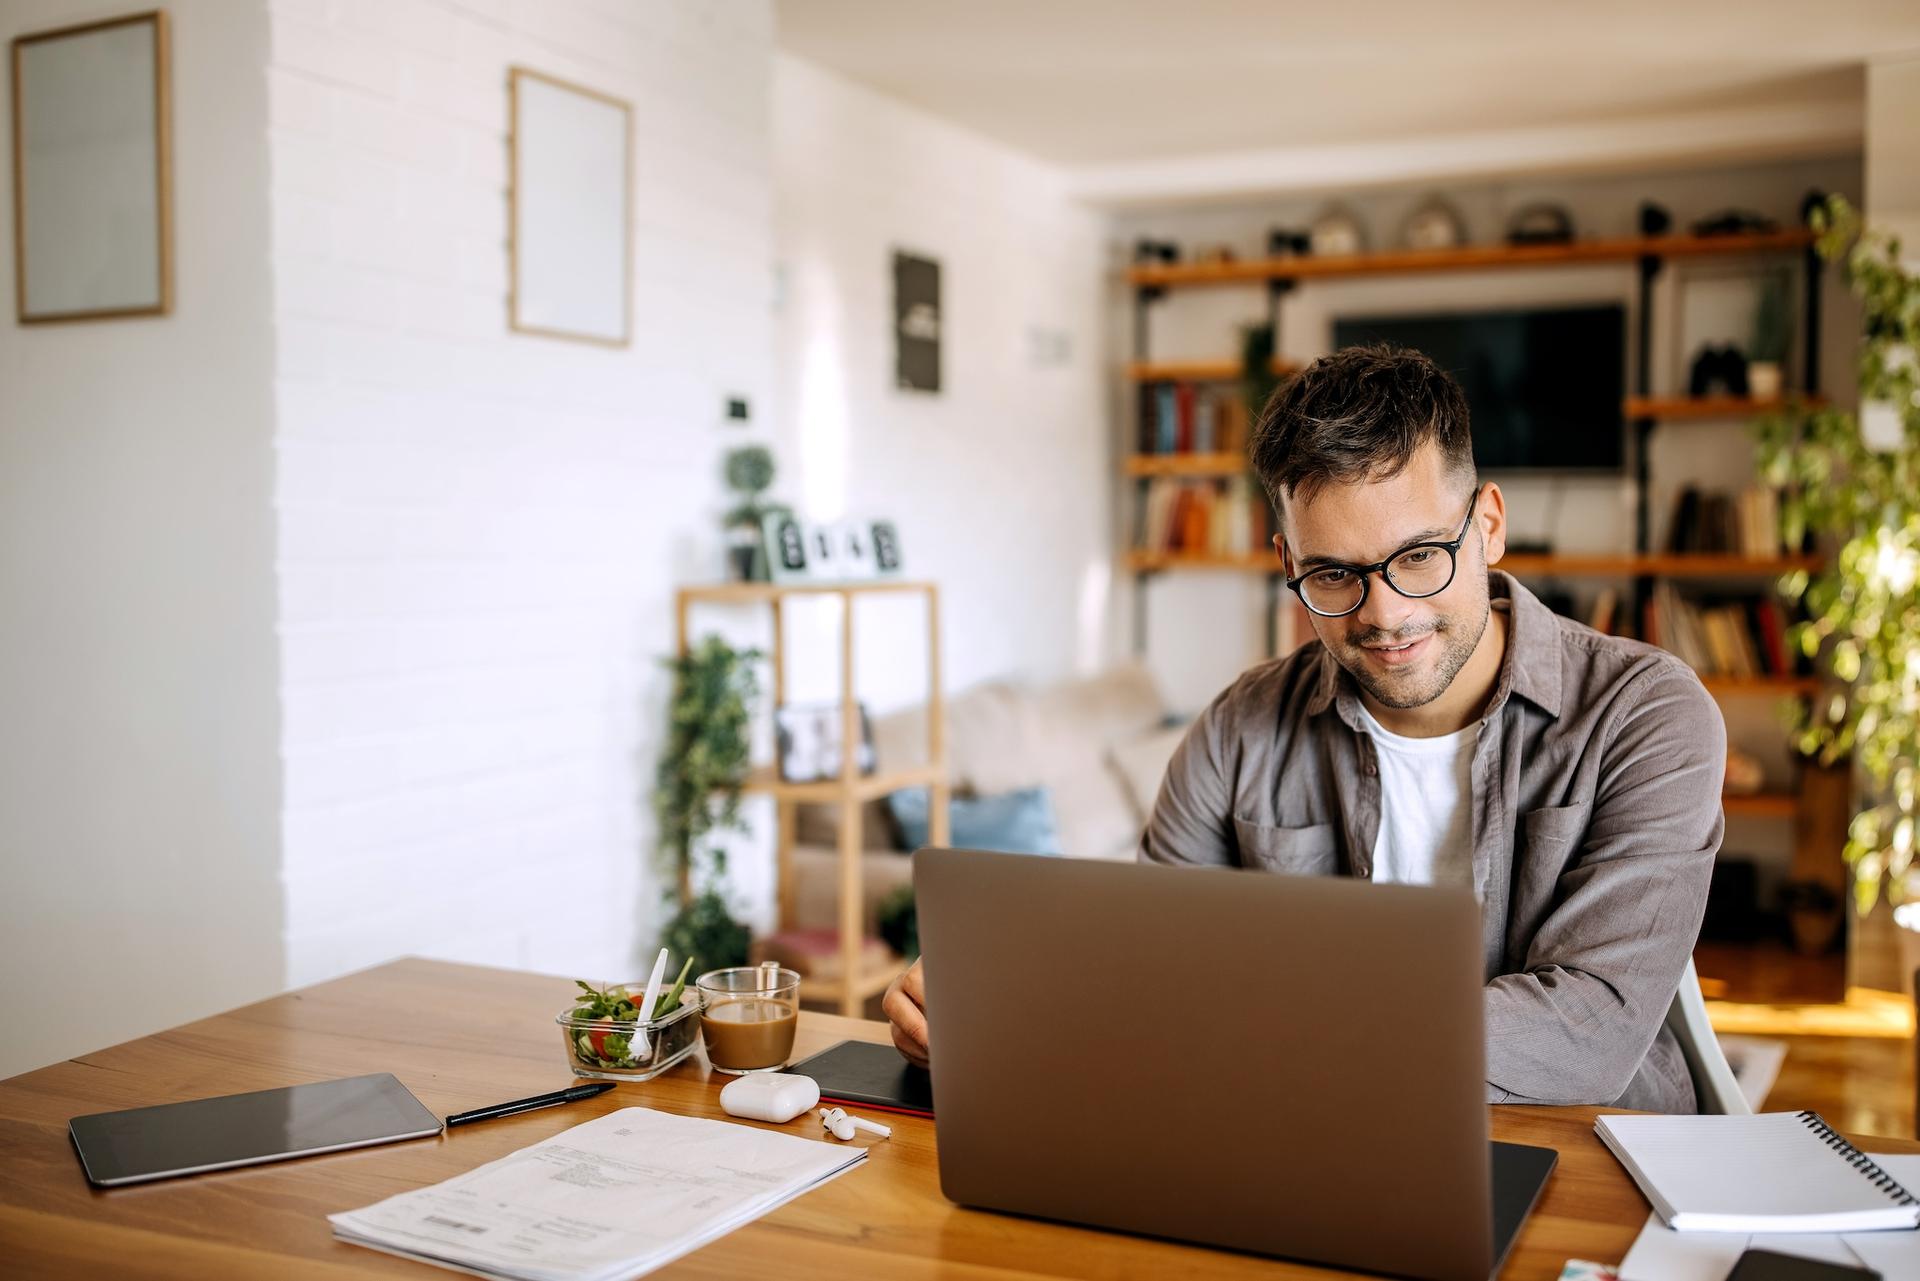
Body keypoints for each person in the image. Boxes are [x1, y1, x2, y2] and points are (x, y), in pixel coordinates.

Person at [883, 344, 1725, 1112]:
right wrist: (991, 1009)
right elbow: (1153, 966)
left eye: (1420, 555)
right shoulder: (1238, 730)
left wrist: (1264, 1029)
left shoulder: (1645, 715)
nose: (1384, 613)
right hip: (1308, 1137)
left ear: (1489, 526)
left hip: (1582, 1153)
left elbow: (1587, 1034)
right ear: (1289, 563)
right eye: (1333, 574)